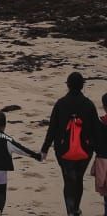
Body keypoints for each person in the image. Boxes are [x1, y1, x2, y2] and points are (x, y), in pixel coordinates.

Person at [42, 72, 101, 216]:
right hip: (85, 150)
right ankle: (76, 208)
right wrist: (100, 151)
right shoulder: (88, 105)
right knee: (78, 179)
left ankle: (70, 211)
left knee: (68, 180)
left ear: (68, 85)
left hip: (63, 150)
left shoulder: (60, 104)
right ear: (82, 86)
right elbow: (96, 129)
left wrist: (44, 149)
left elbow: (52, 128)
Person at [0, 110, 43, 213]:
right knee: (1, 192)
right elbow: (21, 149)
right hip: (1, 171)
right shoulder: (7, 139)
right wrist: (36, 156)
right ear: (4, 125)